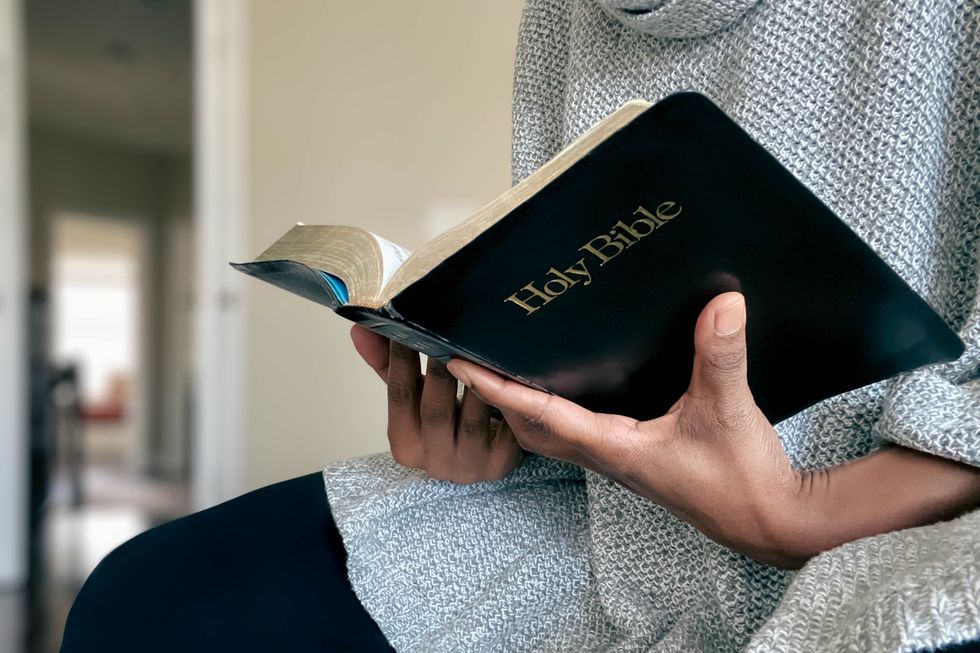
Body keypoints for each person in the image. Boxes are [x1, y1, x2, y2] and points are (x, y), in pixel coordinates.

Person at [63, 0, 980, 651]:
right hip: (621, 506)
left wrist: (795, 514)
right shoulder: (563, 12)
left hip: (913, 519)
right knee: (142, 596)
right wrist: (515, 418)